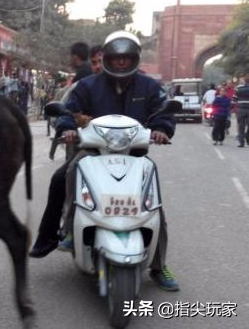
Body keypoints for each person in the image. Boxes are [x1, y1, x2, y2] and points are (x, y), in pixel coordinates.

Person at [29, 31, 180, 292]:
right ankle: (66, 230)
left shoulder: (148, 86)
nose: (121, 63)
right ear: (107, 59)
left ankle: (158, 265)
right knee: (68, 172)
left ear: (134, 59)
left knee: (153, 208)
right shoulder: (88, 85)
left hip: (134, 156)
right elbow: (70, 110)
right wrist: (67, 128)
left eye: (127, 58)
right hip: (94, 152)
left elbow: (161, 113)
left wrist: (162, 129)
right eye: (116, 58)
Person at [233, 73, 249, 147]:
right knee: (241, 126)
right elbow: (234, 98)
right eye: (247, 76)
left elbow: (235, 99)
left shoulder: (238, 87)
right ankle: (243, 140)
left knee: (242, 126)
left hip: (241, 108)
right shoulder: (238, 87)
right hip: (241, 108)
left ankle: (244, 140)